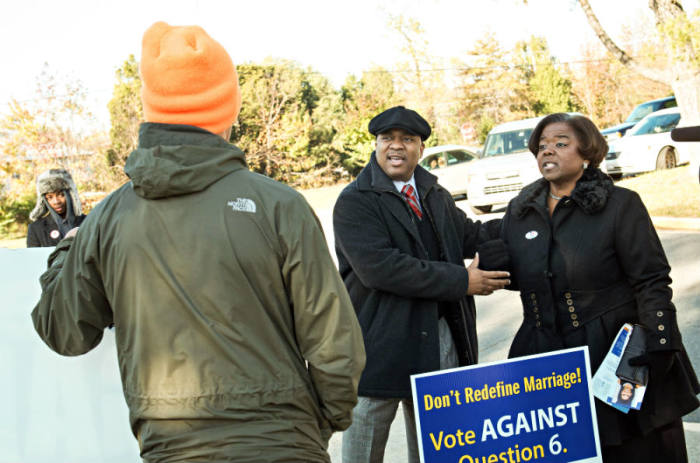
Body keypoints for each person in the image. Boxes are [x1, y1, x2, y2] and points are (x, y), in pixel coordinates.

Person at [31, 22, 365, 463]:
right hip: (286, 441)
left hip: (172, 447)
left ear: (152, 112)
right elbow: (334, 343)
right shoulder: (279, 205)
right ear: (228, 111)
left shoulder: (109, 218)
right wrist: (318, 425)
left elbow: (63, 330)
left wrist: (70, 249)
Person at [499, 112, 699, 462]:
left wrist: (659, 340)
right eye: (542, 146)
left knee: (638, 452)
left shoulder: (621, 204)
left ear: (587, 153)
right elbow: (516, 272)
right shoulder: (519, 212)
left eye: (561, 144)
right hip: (545, 362)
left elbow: (651, 279)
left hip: (615, 354)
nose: (548, 151)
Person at [333, 105, 510, 463]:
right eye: (387, 139)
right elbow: (382, 269)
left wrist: (528, 212)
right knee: (361, 453)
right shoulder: (355, 201)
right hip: (378, 346)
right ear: (377, 145)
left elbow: (470, 235)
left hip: (437, 340)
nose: (396, 147)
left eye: (407, 139)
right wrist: (463, 281)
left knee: (438, 453)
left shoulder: (434, 194)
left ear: (421, 149)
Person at [26, 168, 86, 247]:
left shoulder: (87, 222)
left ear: (70, 195)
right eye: (50, 197)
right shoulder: (36, 228)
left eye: (61, 195)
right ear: (44, 200)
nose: (56, 201)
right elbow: (34, 258)